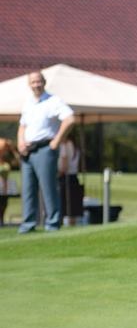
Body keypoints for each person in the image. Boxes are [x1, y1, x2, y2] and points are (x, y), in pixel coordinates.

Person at [17, 70, 75, 233]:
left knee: (48, 188)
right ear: (29, 84)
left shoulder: (53, 101)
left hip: (45, 149)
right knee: (28, 189)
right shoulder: (28, 103)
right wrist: (20, 142)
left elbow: (69, 119)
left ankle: (52, 223)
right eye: (33, 82)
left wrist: (57, 141)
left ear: (44, 82)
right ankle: (28, 224)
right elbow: (23, 126)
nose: (36, 85)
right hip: (28, 151)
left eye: (38, 81)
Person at [58, 130, 83, 226]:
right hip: (73, 177)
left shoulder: (65, 145)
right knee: (72, 210)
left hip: (66, 179)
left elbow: (64, 166)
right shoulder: (75, 146)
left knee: (64, 206)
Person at [0, 138, 17, 227]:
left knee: (3, 203)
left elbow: (16, 162)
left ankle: (1, 221)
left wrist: (13, 149)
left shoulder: (7, 160)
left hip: (5, 186)